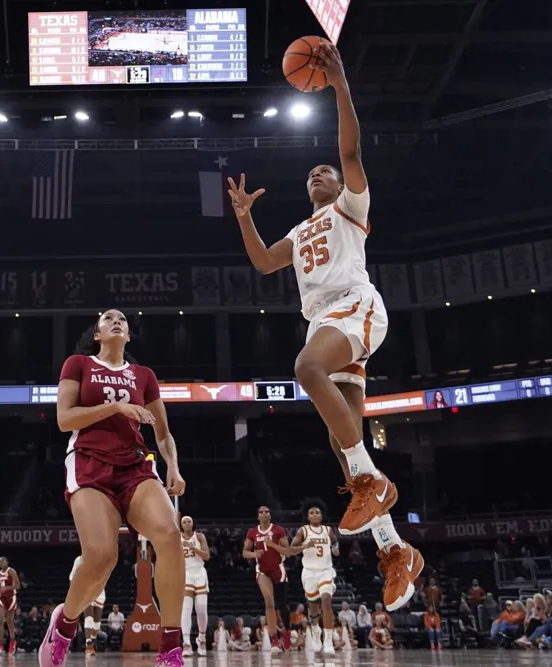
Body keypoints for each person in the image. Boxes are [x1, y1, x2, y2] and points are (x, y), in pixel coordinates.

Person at [227, 40, 423, 612]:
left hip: (354, 306)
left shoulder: (349, 209)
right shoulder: (302, 228)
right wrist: (244, 218)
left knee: (305, 368)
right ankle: (395, 553)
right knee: (344, 447)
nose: (320, 172)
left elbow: (352, 149)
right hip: (325, 323)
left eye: (327, 171)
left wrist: (340, 85)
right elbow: (264, 262)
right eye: (312, 172)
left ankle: (374, 486)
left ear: (341, 186)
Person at [41, 310, 186, 667]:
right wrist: (117, 406)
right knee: (102, 557)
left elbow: (163, 434)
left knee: (169, 535)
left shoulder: (143, 375)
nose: (117, 321)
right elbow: (64, 419)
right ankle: (64, 625)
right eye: (108, 319)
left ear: (129, 336)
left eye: (122, 319)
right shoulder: (78, 364)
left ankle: (170, 650)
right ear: (97, 334)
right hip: (89, 460)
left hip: (135, 465)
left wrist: (174, 467)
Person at [267, 498, 337, 655]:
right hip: (309, 572)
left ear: (321, 515)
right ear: (307, 515)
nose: (315, 515)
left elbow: (334, 542)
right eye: (311, 513)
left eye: (317, 512)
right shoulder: (303, 531)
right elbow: (291, 550)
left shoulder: (328, 530)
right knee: (313, 609)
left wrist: (335, 548)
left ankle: (328, 642)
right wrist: (305, 546)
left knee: (326, 601)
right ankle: (316, 631)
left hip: (326, 570)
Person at [242, 506, 291, 652]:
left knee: (282, 606)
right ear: (258, 516)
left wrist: (273, 545)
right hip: (263, 571)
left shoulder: (278, 530)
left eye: (267, 512)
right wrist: (254, 554)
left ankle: (287, 631)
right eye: (261, 512)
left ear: (270, 515)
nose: (264, 514)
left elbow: (287, 551)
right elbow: (244, 552)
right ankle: (274, 640)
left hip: (278, 569)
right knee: (269, 603)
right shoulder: (252, 532)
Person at [180, 516, 210, 656]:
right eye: (184, 522)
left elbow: (206, 556)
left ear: (192, 524)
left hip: (199, 573)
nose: (187, 524)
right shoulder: (177, 538)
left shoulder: (199, 536)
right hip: (185, 573)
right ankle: (186, 643)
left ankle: (201, 638)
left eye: (189, 522)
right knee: (186, 609)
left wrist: (192, 547)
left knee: (201, 609)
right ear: (181, 525)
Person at [68, 556, 108, 656]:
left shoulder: (100, 559)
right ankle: (88, 644)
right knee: (88, 616)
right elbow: (71, 577)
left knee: (97, 623)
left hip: (99, 591)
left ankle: (92, 642)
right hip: (85, 590)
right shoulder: (79, 559)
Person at [0, 557, 19, 655]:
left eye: (3, 561)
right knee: (0, 621)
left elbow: (17, 585)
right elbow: (1, 587)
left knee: (9, 622)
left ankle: (12, 642)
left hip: (11, 598)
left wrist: (5, 588)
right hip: (1, 598)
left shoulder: (11, 571)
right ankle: (0, 645)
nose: (1, 563)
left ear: (7, 562)